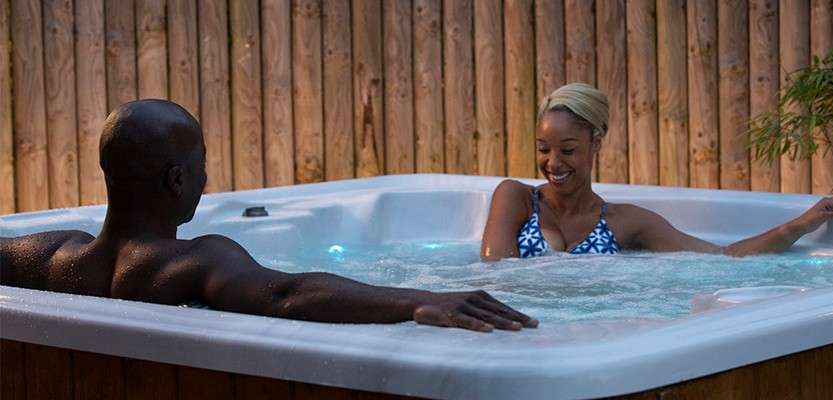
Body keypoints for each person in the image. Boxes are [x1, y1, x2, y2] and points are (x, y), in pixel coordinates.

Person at [0, 99, 537, 332]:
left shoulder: (52, 256)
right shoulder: (193, 261)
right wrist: (420, 299)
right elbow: (287, 293)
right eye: (200, 165)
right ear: (178, 180)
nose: (206, 179)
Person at [481, 83, 833, 261]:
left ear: (596, 143)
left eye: (567, 150)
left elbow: (721, 260)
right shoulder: (516, 198)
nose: (553, 163)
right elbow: (494, 274)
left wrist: (797, 226)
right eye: (543, 149)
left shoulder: (627, 223)